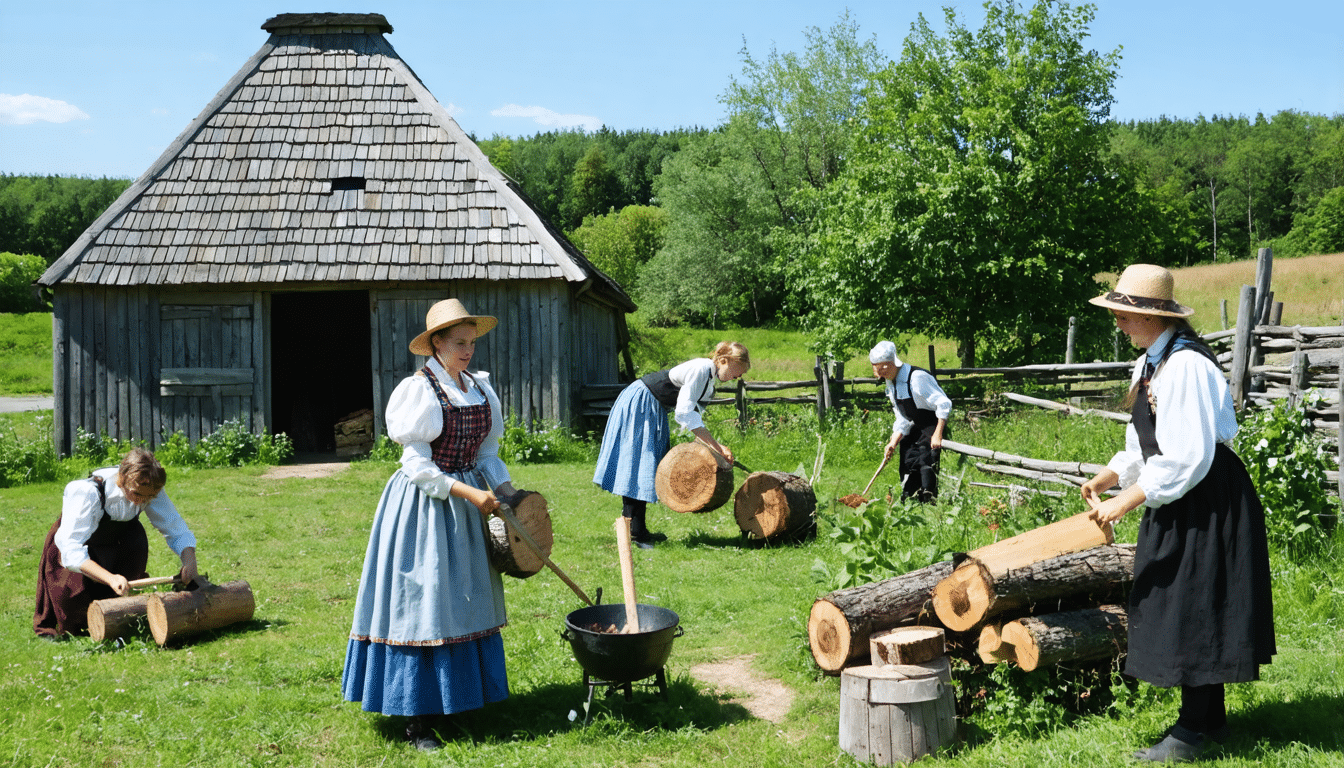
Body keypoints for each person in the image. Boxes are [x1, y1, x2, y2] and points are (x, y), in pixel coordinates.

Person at [1080, 264, 1275, 763]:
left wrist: (1128, 500)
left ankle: (1192, 732)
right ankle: (1210, 720)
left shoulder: (1185, 365)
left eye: (1124, 315)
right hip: (1183, 493)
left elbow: (1187, 454)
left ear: (1154, 317)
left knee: (1193, 603)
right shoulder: (1152, 361)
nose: (1119, 324)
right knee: (1191, 598)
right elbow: (1147, 441)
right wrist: (1112, 475)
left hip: (1206, 497)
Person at [341, 298, 518, 751]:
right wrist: (471, 494)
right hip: (423, 508)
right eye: (459, 343)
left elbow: (486, 454)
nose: (468, 351)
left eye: (472, 343)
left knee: (463, 598)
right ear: (435, 344)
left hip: (467, 507)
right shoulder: (418, 391)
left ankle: (457, 704)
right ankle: (415, 721)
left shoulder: (478, 388)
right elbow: (418, 468)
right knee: (424, 602)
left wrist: (510, 495)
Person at [593, 341, 751, 548]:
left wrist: (713, 448)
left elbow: (695, 418)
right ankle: (633, 533)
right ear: (723, 361)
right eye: (737, 371)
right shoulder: (701, 370)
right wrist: (717, 446)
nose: (738, 377)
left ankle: (637, 529)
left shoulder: (708, 381)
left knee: (646, 465)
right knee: (639, 465)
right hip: (641, 402)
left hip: (652, 407)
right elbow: (684, 412)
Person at [34, 447, 199, 638]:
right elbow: (71, 551)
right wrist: (110, 578)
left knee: (122, 610)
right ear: (121, 480)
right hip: (82, 548)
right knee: (76, 620)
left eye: (149, 498)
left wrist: (189, 560)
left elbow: (175, 527)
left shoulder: (149, 486)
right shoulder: (87, 492)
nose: (141, 502)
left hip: (120, 544)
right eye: (137, 495)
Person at [870, 340, 952, 503]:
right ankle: (909, 502)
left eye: (882, 368)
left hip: (931, 424)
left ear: (891, 363)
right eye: (876, 369)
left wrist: (938, 434)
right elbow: (902, 416)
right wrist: (893, 442)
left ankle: (928, 501)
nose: (880, 374)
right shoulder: (891, 382)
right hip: (913, 425)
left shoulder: (917, 378)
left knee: (925, 461)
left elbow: (944, 403)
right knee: (907, 459)